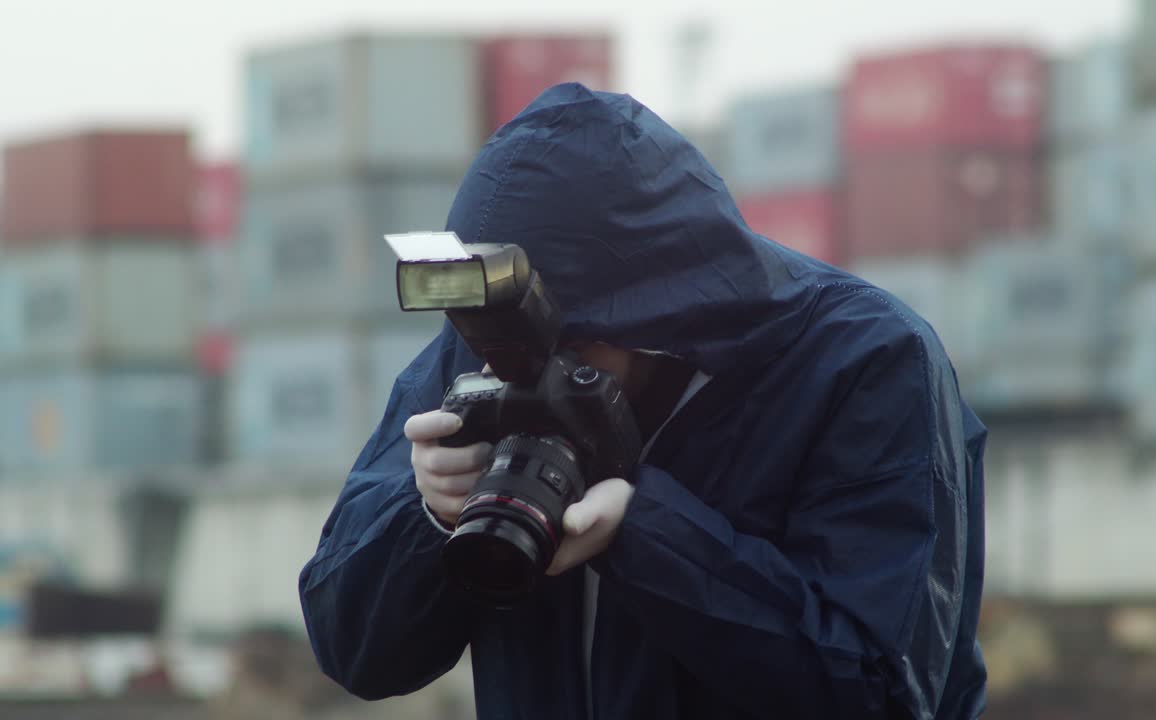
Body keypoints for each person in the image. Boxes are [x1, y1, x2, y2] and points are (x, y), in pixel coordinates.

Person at [298, 83, 988, 719]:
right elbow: (353, 650)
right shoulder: (481, 351)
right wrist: (424, 515)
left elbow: (885, 693)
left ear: (657, 312)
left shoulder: (864, 362)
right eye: (513, 344)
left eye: (569, 348)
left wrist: (646, 536)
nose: (533, 374)